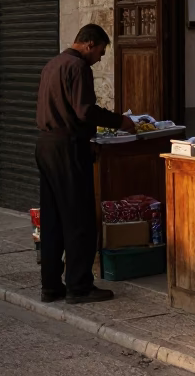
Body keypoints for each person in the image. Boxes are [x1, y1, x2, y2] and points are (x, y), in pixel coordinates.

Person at [35, 23, 135, 304]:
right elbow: (85, 110)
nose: (100, 58)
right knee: (79, 219)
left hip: (45, 145)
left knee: (53, 219)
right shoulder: (78, 68)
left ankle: (51, 286)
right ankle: (79, 286)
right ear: (89, 44)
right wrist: (121, 122)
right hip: (67, 149)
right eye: (101, 52)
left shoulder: (52, 64)